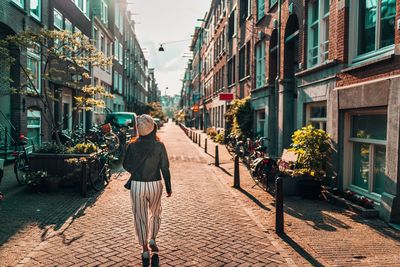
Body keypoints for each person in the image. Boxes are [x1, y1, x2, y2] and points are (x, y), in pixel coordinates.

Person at [123, 114, 172, 267]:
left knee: (140, 216)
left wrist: (135, 171)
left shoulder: (132, 145)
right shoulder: (160, 146)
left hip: (137, 185)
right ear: (153, 128)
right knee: (156, 213)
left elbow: (125, 165)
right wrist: (169, 187)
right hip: (155, 184)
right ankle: (153, 239)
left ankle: (145, 248)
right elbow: (165, 167)